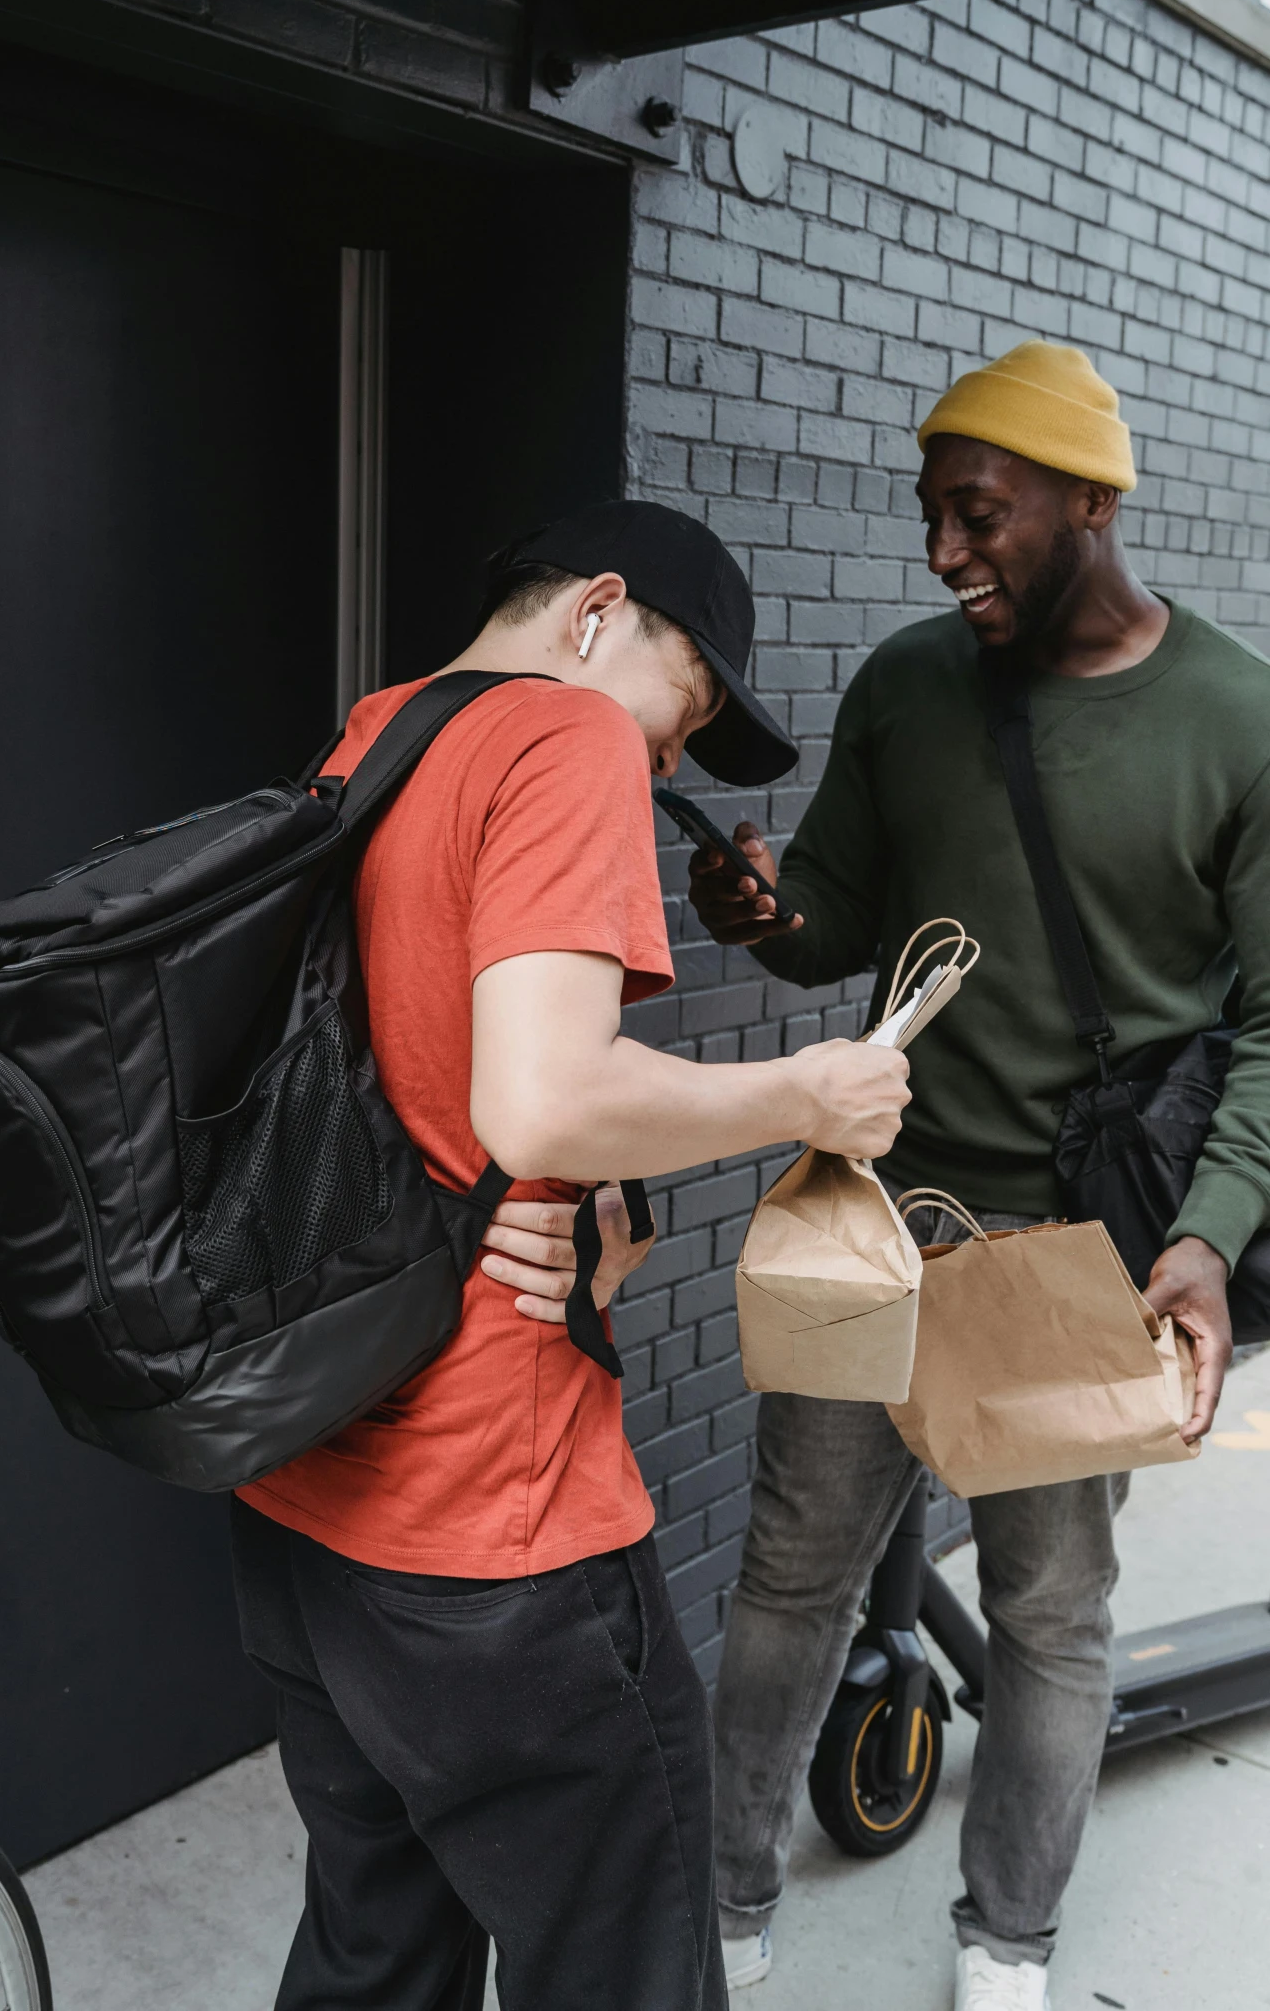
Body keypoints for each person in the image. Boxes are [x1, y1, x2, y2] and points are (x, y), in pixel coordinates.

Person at [229, 500, 913, 2011]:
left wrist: (593, 1206)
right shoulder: (564, 734)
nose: (667, 758)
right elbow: (537, 1092)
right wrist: (809, 1089)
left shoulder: (374, 733)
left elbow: (387, 1088)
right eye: (688, 708)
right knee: (625, 1965)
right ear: (598, 610)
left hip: (307, 1495)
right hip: (495, 1523)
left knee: (373, 1948)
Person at [686, 341, 1270, 2010]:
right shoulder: (902, 684)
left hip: (1069, 1258)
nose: (941, 551)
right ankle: (724, 1910)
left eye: (977, 513)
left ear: (1091, 500)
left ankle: (1003, 1945)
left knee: (1046, 1617)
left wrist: (1209, 1241)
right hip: (866, 1216)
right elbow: (833, 921)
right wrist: (760, 914)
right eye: (930, 515)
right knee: (787, 1582)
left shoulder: (1234, 720)